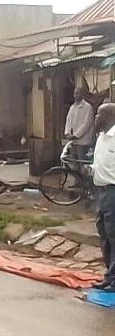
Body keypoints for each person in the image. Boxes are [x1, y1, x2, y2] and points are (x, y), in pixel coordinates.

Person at [92, 103, 115, 292]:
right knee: (104, 235)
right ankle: (109, 275)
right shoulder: (101, 137)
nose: (95, 118)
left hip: (113, 191)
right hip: (100, 192)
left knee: (114, 236)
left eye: (98, 115)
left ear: (108, 116)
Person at [64, 87, 95, 161]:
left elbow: (86, 123)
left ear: (82, 94)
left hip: (83, 142)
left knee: (82, 163)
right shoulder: (72, 107)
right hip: (73, 142)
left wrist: (76, 135)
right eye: (74, 94)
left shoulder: (88, 107)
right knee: (73, 163)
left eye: (77, 93)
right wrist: (67, 133)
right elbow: (68, 121)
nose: (75, 95)